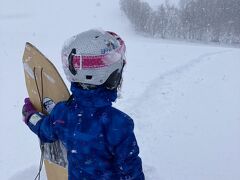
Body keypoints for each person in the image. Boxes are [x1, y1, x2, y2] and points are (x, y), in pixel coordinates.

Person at [22, 29, 144, 180]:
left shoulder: (63, 114)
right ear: (112, 76)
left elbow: (43, 129)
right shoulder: (118, 124)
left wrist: (30, 115)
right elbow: (132, 173)